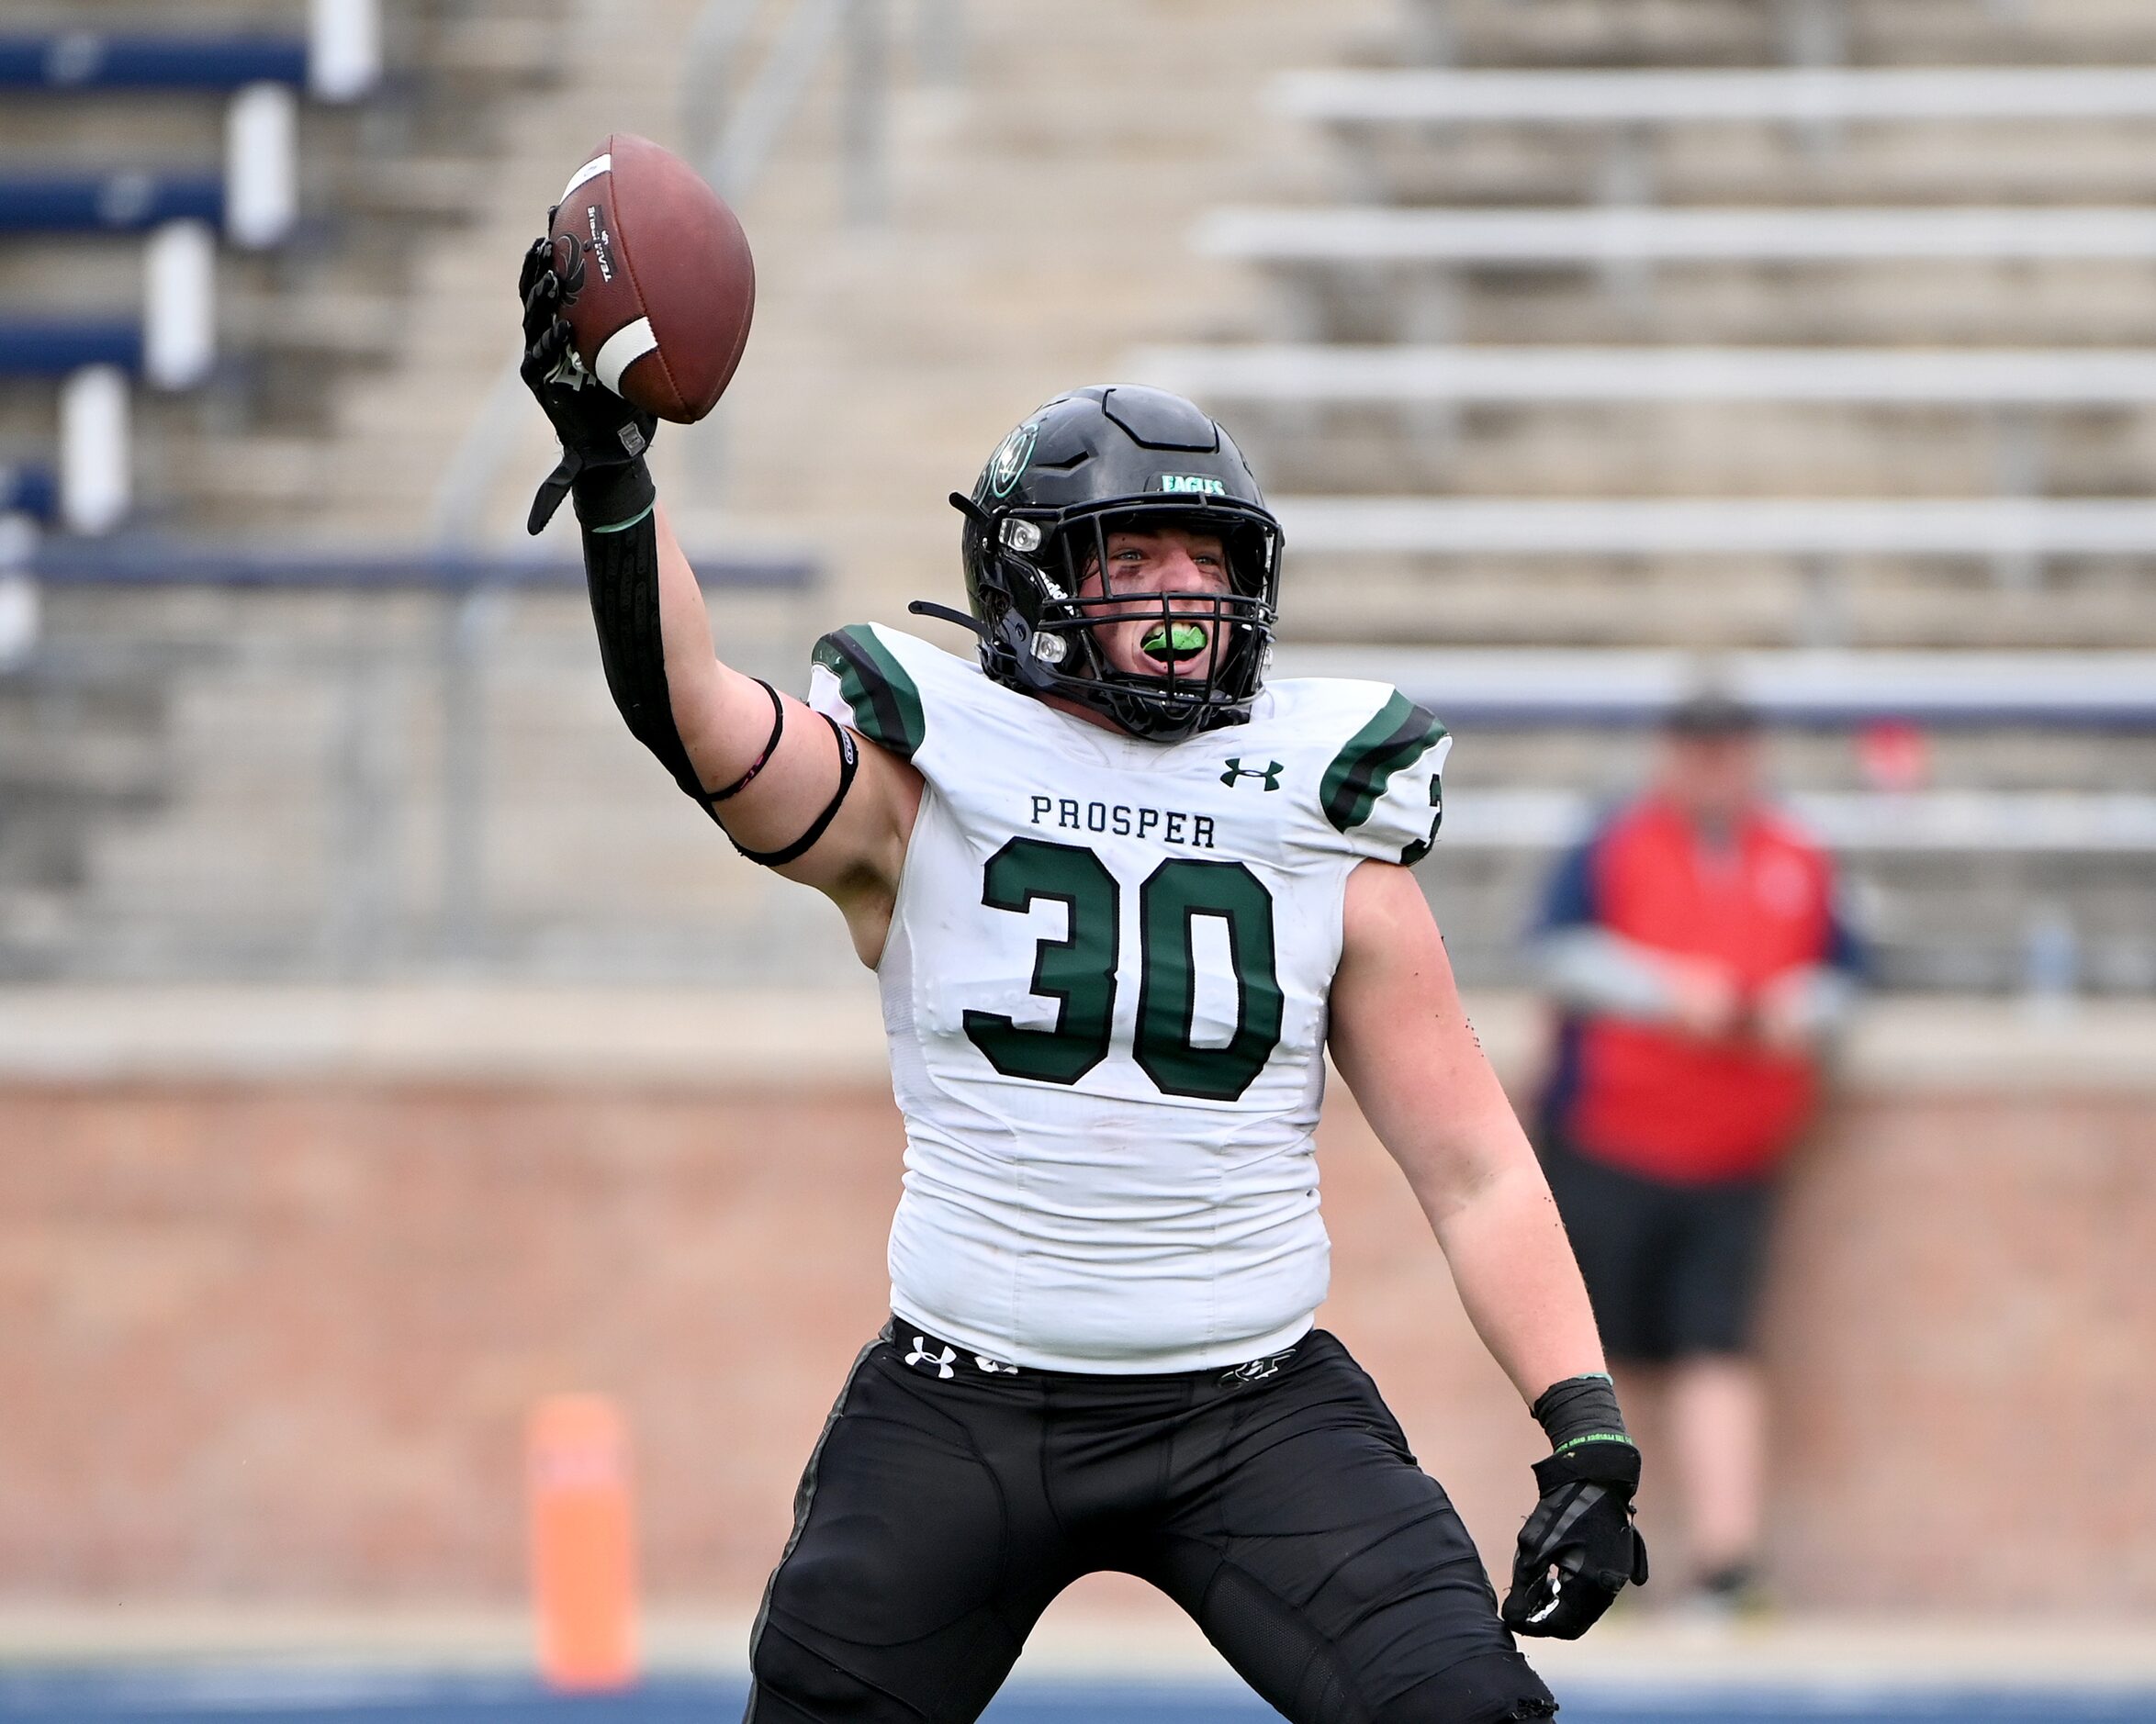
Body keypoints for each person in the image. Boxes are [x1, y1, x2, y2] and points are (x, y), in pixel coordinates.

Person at [517, 231, 1646, 1724]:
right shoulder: (923, 782)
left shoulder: (1320, 813)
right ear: (1031, 574)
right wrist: (613, 465)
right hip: (961, 1399)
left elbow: (1471, 1163)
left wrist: (1584, 1436)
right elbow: (700, 719)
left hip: (1253, 1400)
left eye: (1210, 557)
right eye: (1136, 553)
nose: (1185, 592)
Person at [1531, 692, 1861, 1616]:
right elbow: (1553, 951)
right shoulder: (1612, 844)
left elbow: (1847, 972)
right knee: (1599, 1357)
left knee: (1715, 1346)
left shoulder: (1797, 853)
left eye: (1729, 750)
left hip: (1732, 1153)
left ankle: (1724, 1565)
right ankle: (1594, 1553)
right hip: (1608, 1138)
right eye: (1697, 749)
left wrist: (1802, 1005)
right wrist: (1661, 990)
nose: (1714, 768)